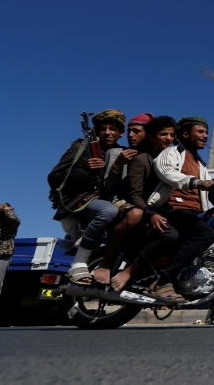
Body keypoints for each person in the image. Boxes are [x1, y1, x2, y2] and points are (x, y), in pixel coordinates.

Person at [148, 116, 214, 301]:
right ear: (184, 134)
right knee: (206, 234)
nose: (205, 135)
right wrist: (195, 182)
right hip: (172, 209)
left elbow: (212, 191)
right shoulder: (172, 152)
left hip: (194, 213)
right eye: (200, 131)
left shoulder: (200, 164)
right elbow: (168, 173)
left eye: (206, 132)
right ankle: (164, 279)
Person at [48, 109, 126, 285]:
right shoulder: (80, 147)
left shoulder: (123, 152)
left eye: (113, 128)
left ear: (121, 133)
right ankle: (79, 264)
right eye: (103, 128)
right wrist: (84, 170)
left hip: (111, 199)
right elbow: (55, 177)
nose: (107, 132)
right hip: (79, 200)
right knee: (108, 212)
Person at [108, 116, 178, 292]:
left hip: (154, 208)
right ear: (152, 136)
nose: (169, 139)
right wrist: (151, 213)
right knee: (169, 234)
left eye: (171, 135)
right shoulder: (140, 159)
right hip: (136, 207)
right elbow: (135, 195)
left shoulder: (169, 160)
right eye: (164, 134)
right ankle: (130, 271)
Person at [93, 112, 154, 286]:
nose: (130, 135)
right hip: (119, 201)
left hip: (143, 203)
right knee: (135, 215)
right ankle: (106, 262)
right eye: (129, 131)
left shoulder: (154, 157)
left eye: (136, 131)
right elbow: (107, 188)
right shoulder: (115, 153)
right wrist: (118, 165)